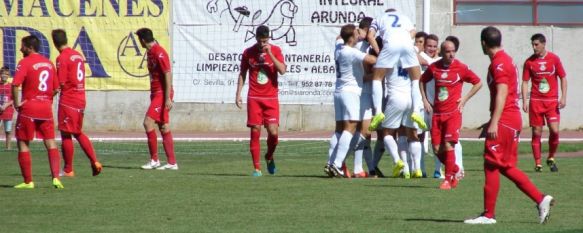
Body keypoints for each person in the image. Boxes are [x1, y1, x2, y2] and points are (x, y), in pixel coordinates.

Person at [464, 26, 553, 225]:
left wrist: (494, 122)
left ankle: (492, 214)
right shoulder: (505, 59)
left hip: (505, 120)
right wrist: (491, 121)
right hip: (508, 120)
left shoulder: (499, 63)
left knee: (496, 164)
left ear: (484, 44)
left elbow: (503, 93)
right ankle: (535, 200)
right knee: (499, 165)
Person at [420, 40, 482, 189]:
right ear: (442, 52)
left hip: (453, 114)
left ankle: (447, 180)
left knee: (448, 145)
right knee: (436, 149)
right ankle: (454, 169)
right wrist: (425, 100)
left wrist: (464, 100)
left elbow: (478, 83)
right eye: (448, 51)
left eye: (453, 51)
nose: (451, 54)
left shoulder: (460, 67)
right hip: (437, 114)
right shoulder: (434, 67)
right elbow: (422, 80)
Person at [325, 24, 376, 177]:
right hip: (350, 93)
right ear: (352, 37)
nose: (358, 35)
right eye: (356, 33)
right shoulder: (351, 52)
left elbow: (338, 38)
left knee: (339, 130)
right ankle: (337, 164)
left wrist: (354, 34)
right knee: (351, 127)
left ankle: (330, 162)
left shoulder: (339, 48)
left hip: (339, 92)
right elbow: (372, 59)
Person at [12, 35, 63, 189]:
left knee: (23, 142)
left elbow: (15, 85)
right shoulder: (48, 63)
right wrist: (46, 98)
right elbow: (56, 88)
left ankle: (28, 181)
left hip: (29, 108)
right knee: (51, 142)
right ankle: (56, 177)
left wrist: (16, 103)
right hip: (45, 108)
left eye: (23, 46)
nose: (21, 49)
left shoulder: (25, 62)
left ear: (29, 47)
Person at [236, 25, 286, 177]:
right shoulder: (248, 53)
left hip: (271, 98)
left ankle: (269, 156)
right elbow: (243, 73)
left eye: (265, 40)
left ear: (269, 39)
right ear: (256, 38)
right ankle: (256, 168)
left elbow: (282, 70)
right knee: (255, 130)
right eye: (260, 40)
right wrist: (238, 94)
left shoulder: (275, 50)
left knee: (273, 133)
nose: (262, 43)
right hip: (254, 98)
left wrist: (269, 53)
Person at [367, 9, 427, 135]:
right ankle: (416, 110)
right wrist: (403, 39)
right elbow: (413, 32)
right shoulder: (405, 16)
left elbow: (370, 36)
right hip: (406, 43)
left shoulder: (379, 17)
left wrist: (379, 52)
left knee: (377, 78)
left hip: (390, 44)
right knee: (416, 78)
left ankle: (378, 112)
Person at [51, 29, 102, 177]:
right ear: (66, 39)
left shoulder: (62, 58)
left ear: (54, 43)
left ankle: (68, 170)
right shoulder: (77, 55)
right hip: (80, 98)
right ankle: (94, 161)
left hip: (69, 99)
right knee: (78, 132)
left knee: (66, 134)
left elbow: (60, 83)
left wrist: (49, 96)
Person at [521, 33, 567, 172]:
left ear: (543, 44)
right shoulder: (529, 62)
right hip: (536, 101)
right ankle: (538, 163)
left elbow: (563, 78)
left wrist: (563, 97)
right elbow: (524, 82)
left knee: (555, 130)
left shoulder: (554, 59)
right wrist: (525, 100)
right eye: (532, 45)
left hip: (552, 101)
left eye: (536, 44)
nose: (534, 47)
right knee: (537, 132)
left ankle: (551, 157)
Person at [136, 28, 178, 170]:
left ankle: (154, 160)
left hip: (162, 94)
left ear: (142, 41)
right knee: (163, 126)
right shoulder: (150, 52)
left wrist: (167, 98)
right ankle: (172, 163)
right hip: (156, 93)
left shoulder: (159, 52)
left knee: (148, 123)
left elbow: (167, 74)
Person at [0, 67, 14, 149]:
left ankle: (8, 147)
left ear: (9, 75)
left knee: (8, 130)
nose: (4, 75)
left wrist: (6, 105)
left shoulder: (11, 86)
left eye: (6, 74)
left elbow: (13, 99)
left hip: (8, 111)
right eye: (2, 73)